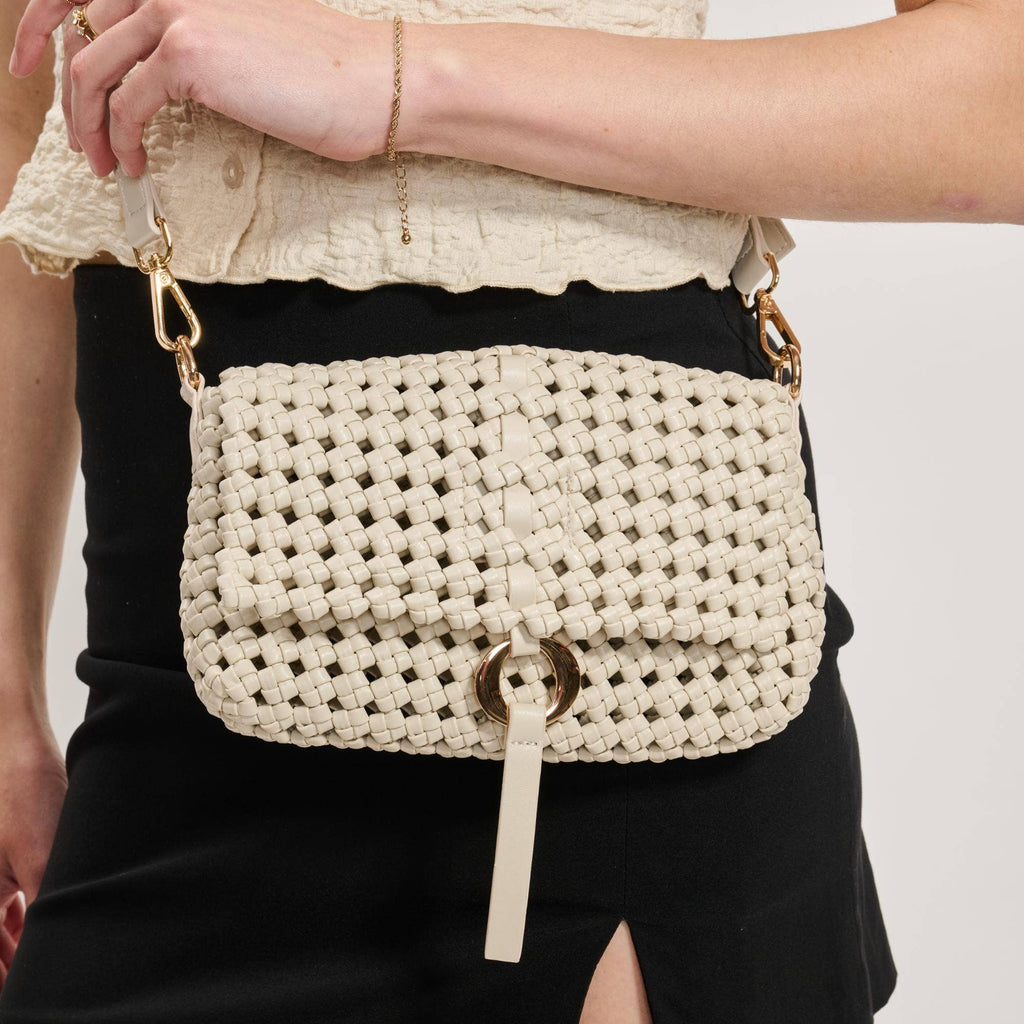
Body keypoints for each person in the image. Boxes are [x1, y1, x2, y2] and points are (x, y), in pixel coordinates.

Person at [0, 0, 1018, 1019]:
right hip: (165, 680)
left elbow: (1001, 100)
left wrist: (401, 76)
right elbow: (29, 108)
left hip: (627, 662)